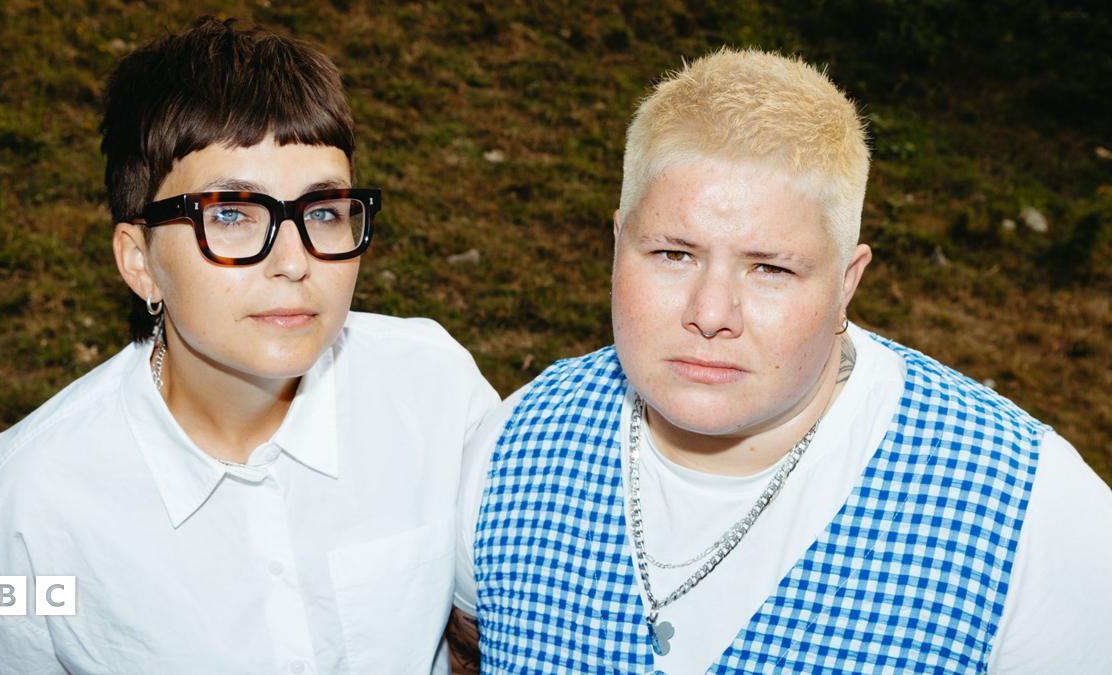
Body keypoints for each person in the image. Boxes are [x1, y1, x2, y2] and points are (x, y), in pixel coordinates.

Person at [449, 48, 1112, 673]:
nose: (710, 312)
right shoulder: (509, 447)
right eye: (673, 254)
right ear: (619, 243)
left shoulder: (1032, 511)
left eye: (770, 267)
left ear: (847, 282)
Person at [0, 17, 497, 674]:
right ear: (139, 261)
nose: (294, 261)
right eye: (231, 214)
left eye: (323, 210)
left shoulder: (434, 385)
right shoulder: (24, 500)